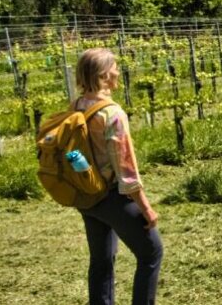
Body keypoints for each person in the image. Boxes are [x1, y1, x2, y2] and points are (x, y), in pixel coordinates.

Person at [73, 47, 163, 305]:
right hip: (112, 196)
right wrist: (146, 208)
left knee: (101, 261)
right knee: (151, 252)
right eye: (114, 67)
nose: (118, 71)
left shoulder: (77, 106)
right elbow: (126, 170)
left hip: (87, 195)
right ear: (103, 75)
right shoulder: (112, 114)